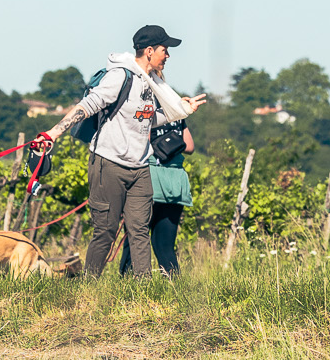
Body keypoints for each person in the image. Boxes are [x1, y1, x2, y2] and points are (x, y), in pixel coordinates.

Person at [34, 25, 207, 279]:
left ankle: (143, 290)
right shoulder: (120, 76)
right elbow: (89, 105)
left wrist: (181, 110)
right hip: (108, 163)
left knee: (139, 231)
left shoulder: (154, 84)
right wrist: (53, 133)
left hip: (139, 168)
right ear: (149, 51)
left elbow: (145, 119)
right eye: (164, 50)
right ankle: (89, 285)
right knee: (105, 231)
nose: (167, 55)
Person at [122, 120, 193, 275]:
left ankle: (127, 281)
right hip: (175, 183)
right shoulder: (177, 116)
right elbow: (189, 146)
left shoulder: (147, 113)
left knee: (134, 237)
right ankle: (173, 285)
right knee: (164, 244)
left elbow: (142, 146)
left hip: (149, 179)